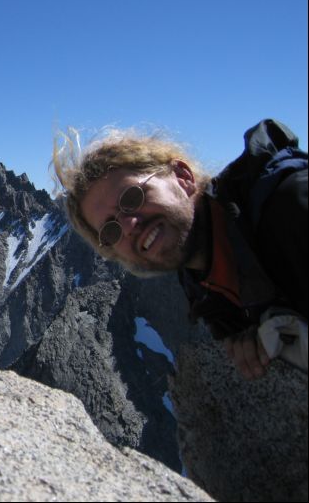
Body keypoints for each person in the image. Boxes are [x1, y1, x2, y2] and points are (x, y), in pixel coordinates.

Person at [52, 118, 308, 379]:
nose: (129, 225)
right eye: (111, 230)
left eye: (132, 197)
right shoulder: (205, 287)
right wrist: (250, 329)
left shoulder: (293, 207)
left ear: (183, 176)